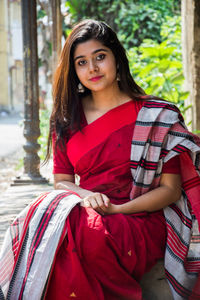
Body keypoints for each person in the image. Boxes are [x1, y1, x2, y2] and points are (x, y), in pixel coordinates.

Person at [0, 19, 200, 300]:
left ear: (117, 59)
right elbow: (62, 182)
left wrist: (119, 211)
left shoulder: (156, 116)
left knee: (87, 235)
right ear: (74, 70)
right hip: (89, 209)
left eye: (100, 57)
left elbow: (170, 190)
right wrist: (85, 195)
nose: (92, 68)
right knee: (61, 228)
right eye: (81, 62)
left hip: (141, 215)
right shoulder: (67, 118)